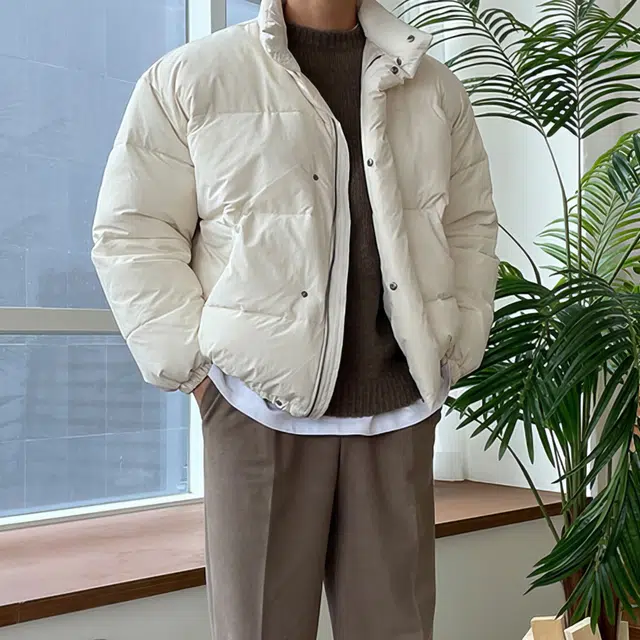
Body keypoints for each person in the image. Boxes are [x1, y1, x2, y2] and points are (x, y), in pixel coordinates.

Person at [92, 0, 499, 637]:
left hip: (398, 410)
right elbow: (133, 233)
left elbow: (469, 227)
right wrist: (199, 373)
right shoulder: (193, 76)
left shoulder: (433, 87)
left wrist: (456, 347)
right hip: (253, 410)